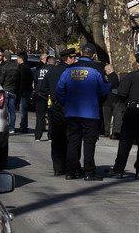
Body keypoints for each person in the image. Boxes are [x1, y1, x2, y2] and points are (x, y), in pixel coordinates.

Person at [56, 49, 111, 181]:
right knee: (89, 143)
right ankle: (89, 172)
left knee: (73, 142)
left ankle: (71, 171)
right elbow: (103, 89)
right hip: (90, 113)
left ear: (81, 53)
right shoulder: (96, 70)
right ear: (93, 55)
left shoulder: (68, 70)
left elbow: (59, 89)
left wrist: (65, 103)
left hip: (72, 112)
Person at [38, 49, 75, 176]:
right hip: (71, 107)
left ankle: (58, 167)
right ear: (67, 58)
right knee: (71, 138)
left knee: (57, 138)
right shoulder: (72, 72)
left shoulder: (52, 71)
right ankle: (71, 166)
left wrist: (51, 96)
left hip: (55, 107)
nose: (74, 60)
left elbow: (42, 89)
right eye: (72, 57)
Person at [0, 50, 19, 134]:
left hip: (5, 90)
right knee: (12, 111)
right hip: (13, 91)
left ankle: (5, 126)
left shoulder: (3, 66)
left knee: (5, 110)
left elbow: (1, 79)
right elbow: (18, 80)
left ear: (4, 57)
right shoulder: (16, 66)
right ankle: (12, 128)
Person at [33, 54, 54, 141]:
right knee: (51, 116)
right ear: (54, 63)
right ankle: (50, 136)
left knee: (39, 117)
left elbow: (35, 81)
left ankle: (37, 136)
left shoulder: (40, 69)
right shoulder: (53, 70)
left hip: (40, 95)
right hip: (50, 96)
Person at [15, 52, 34, 134]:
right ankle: (24, 125)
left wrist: (19, 92)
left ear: (21, 59)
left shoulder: (21, 68)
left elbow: (20, 81)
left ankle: (23, 126)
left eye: (18, 58)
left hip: (23, 92)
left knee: (22, 110)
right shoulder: (28, 68)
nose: (17, 59)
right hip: (27, 90)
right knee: (24, 110)